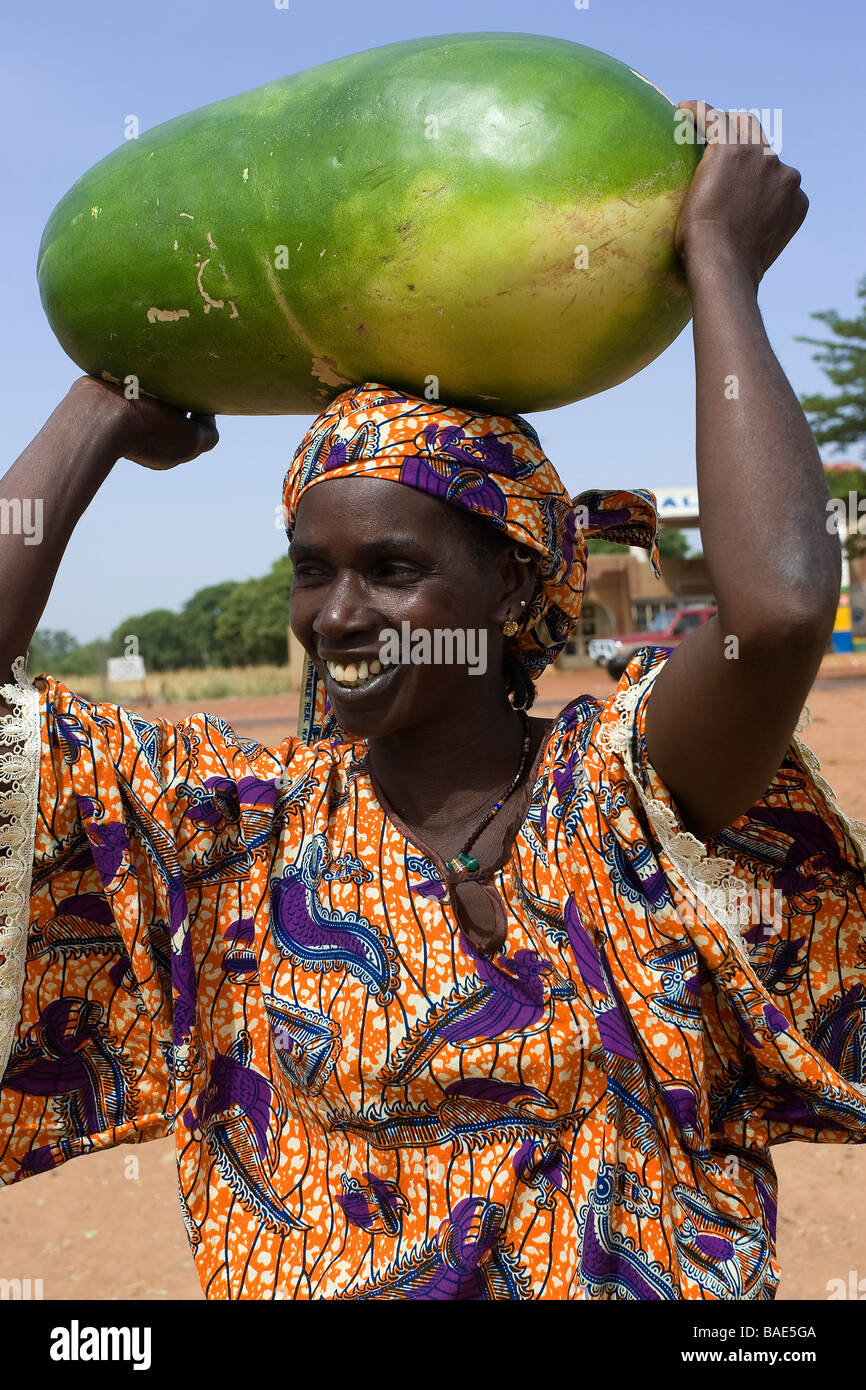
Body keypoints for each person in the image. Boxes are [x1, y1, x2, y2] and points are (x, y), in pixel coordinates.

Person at [1, 102, 865, 1301]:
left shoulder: (612, 797)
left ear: (508, 579)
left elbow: (774, 614)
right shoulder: (242, 824)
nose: (337, 616)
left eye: (391, 569)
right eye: (312, 571)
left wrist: (718, 264)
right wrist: (92, 416)